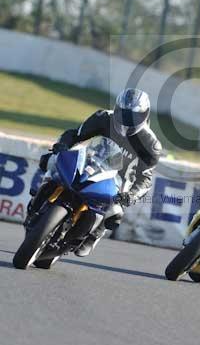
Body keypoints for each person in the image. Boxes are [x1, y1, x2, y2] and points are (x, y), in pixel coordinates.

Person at [27, 88, 162, 257]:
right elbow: (75, 135)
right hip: (91, 161)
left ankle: (94, 235)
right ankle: (38, 200)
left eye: (133, 116)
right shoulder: (104, 117)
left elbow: (146, 179)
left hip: (117, 180)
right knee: (51, 162)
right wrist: (62, 145)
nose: (127, 120)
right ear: (117, 108)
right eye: (124, 113)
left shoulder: (151, 144)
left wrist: (131, 195)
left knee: (115, 211)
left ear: (145, 115)